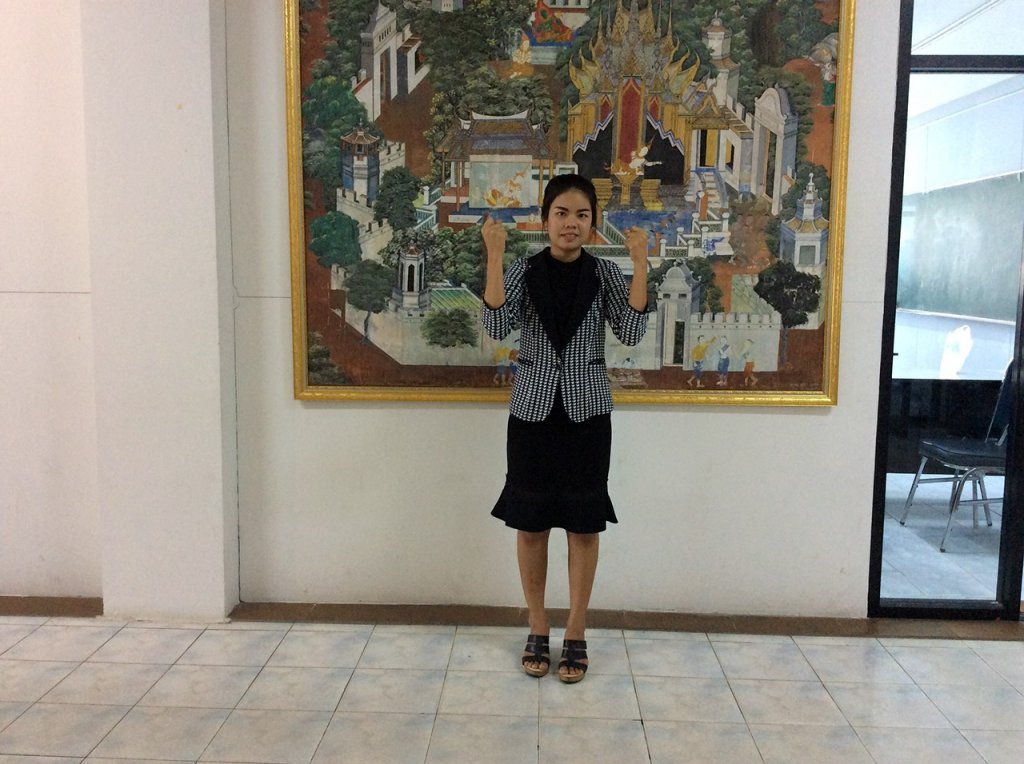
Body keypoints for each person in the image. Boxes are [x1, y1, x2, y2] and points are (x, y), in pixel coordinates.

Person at [481, 173, 649, 684]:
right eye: (561, 213)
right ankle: (537, 624)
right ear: (546, 219)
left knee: (583, 524)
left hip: (588, 412)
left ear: (593, 224)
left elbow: (632, 331)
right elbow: (495, 327)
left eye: (581, 215)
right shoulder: (523, 270)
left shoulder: (606, 273)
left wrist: (641, 263)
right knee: (530, 523)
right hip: (532, 411)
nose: (570, 223)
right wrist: (494, 255)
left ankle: (576, 629)